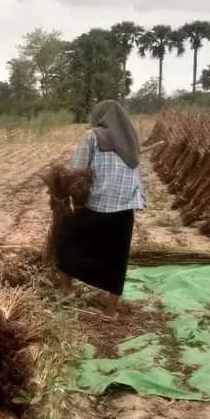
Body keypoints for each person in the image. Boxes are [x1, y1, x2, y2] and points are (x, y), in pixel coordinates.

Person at [56, 100, 145, 311]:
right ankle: (111, 310)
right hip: (126, 208)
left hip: (98, 205)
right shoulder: (131, 140)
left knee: (66, 237)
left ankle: (66, 288)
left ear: (101, 117)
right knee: (117, 256)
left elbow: (75, 171)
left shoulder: (93, 136)